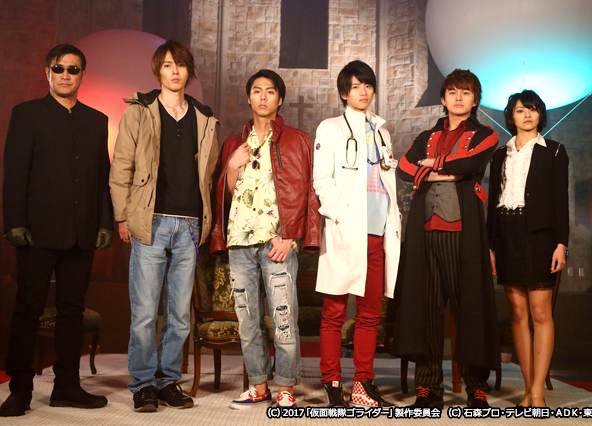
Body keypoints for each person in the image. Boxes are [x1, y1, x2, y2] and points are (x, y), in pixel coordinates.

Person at [0, 44, 113, 417]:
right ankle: (19, 390)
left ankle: (66, 387)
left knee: (72, 312)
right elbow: (14, 172)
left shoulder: (96, 120)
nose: (66, 74)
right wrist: (15, 222)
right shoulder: (26, 114)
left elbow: (102, 178)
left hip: (81, 234)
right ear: (47, 72)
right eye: (59, 68)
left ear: (82, 75)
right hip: (36, 233)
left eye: (73, 69)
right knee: (27, 310)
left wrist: (104, 222)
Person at [109, 40, 219, 412]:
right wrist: (123, 215)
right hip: (150, 220)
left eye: (180, 65)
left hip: (189, 224)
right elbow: (121, 167)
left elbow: (208, 174)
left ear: (189, 71)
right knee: (144, 312)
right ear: (158, 71)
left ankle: (168, 380)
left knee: (179, 314)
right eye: (168, 65)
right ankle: (143, 384)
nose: (174, 71)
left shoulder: (204, 117)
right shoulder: (139, 112)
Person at [210, 69, 320, 409]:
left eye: (270, 91)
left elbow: (307, 191)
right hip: (240, 242)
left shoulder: (298, 140)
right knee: (247, 320)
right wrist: (232, 166)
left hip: (277, 243)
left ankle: (285, 387)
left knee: (284, 316)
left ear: (279, 98)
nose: (262, 96)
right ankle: (258, 385)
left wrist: (291, 236)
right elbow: (225, 197)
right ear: (248, 97)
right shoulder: (234, 143)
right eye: (256, 91)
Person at [393, 69, 500, 408]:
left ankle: (476, 387)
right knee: (427, 310)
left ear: (475, 99)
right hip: (425, 231)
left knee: (469, 307)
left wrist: (433, 165)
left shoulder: (486, 134)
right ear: (443, 98)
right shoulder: (425, 135)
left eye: (465, 92)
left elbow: (471, 162)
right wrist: (442, 173)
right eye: (452, 92)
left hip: (463, 233)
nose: (458, 98)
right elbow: (404, 167)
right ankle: (428, 388)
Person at [312, 60, 401, 408]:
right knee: (334, 311)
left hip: (378, 233)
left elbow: (386, 179)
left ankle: (363, 382)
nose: (363, 92)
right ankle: (333, 381)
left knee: (370, 314)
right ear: (343, 93)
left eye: (368, 85)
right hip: (346, 231)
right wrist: (345, 217)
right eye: (355, 86)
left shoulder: (381, 132)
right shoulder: (331, 128)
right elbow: (322, 180)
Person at [487, 90, 568, 408]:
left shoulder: (555, 151)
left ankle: (537, 392)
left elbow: (560, 199)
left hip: (540, 237)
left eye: (533, 109)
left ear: (540, 114)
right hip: (506, 235)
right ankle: (527, 387)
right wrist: (490, 245)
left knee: (540, 313)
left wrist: (561, 243)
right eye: (521, 110)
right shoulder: (499, 154)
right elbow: (493, 202)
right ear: (511, 116)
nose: (527, 115)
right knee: (518, 313)